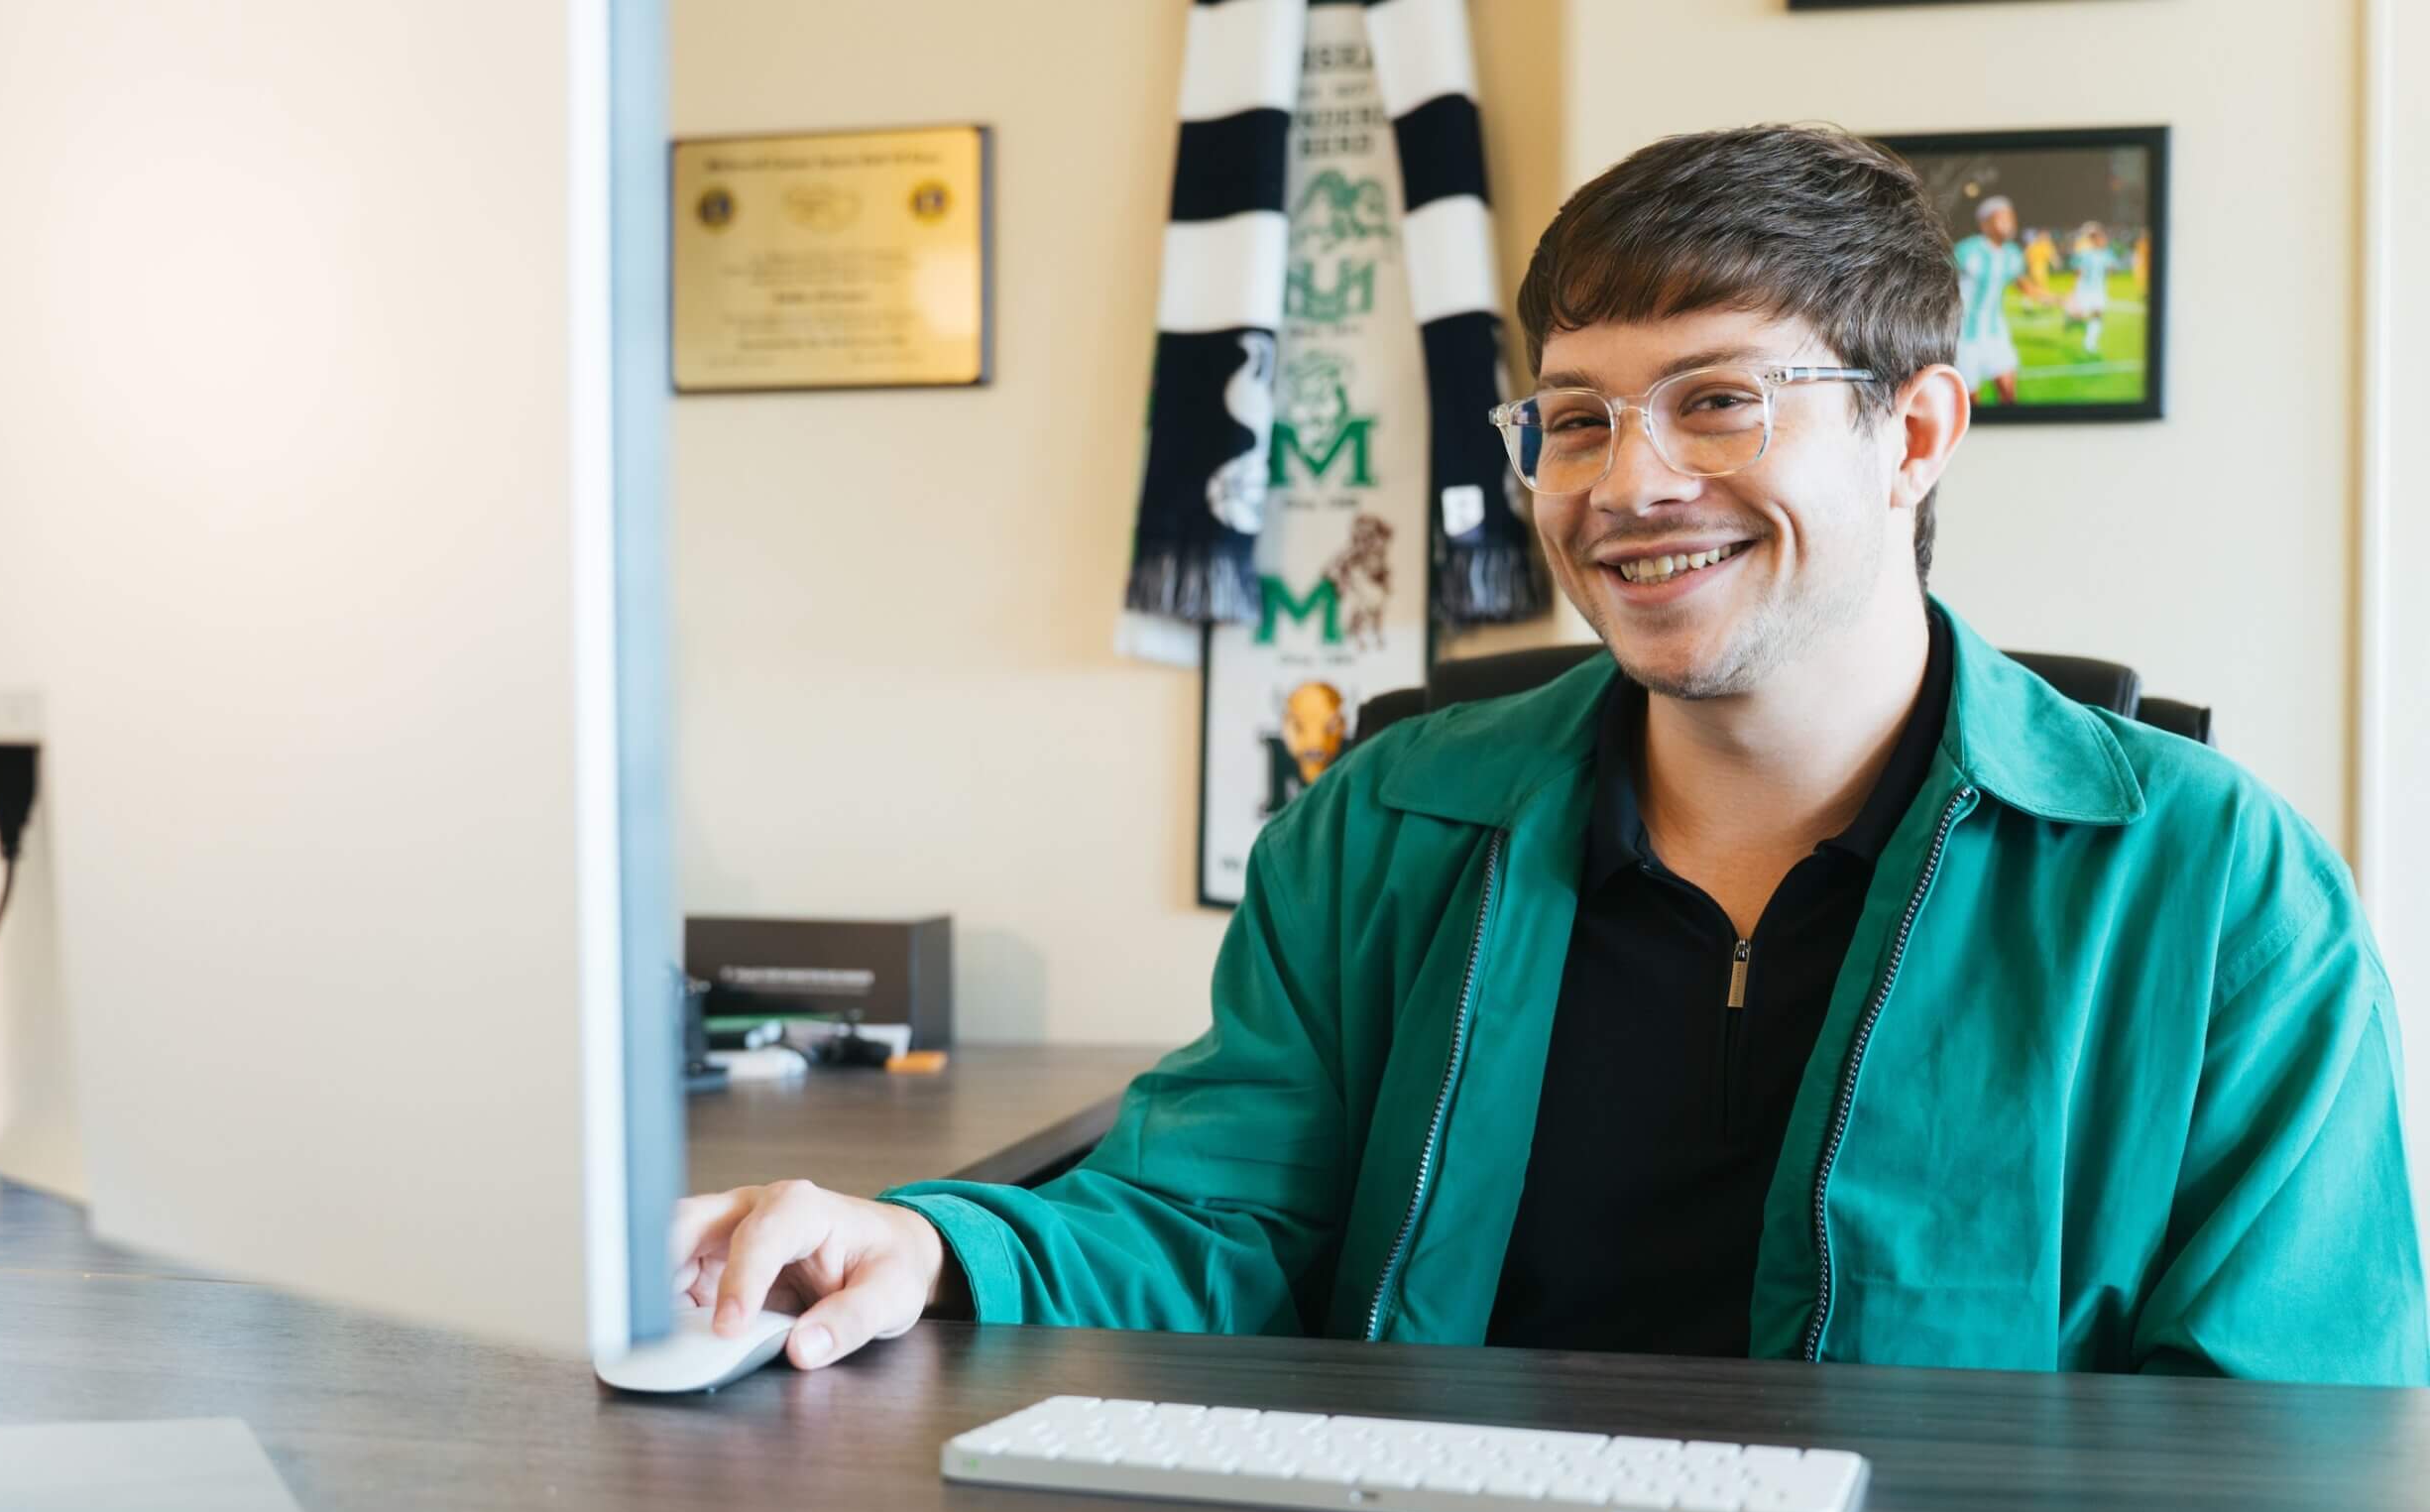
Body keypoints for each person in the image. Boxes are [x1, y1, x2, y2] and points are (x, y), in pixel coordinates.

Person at [673, 125, 2425, 1386]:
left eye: (1721, 398)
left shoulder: (2218, 886)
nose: (1629, 481)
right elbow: (1220, 1224)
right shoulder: (1378, 824)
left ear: (1916, 430)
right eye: (1574, 416)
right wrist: (937, 1243)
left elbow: (2294, 1443)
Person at [1953, 193, 2025, 406]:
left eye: (2011, 218)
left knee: (2009, 396)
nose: (2009, 224)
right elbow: (1937, 283)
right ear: (1985, 224)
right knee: (1970, 407)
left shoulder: (2012, 253)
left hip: (1996, 335)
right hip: (1964, 339)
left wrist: (2059, 300)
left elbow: (2023, 284)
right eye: (2002, 219)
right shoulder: (1966, 250)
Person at [2062, 222, 2120, 357]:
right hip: (2085, 289)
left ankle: (2090, 343)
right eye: (2098, 238)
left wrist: (2112, 267)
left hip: (2099, 290)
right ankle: (2070, 318)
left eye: (2103, 238)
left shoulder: (2107, 254)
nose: (2102, 240)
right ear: (2093, 240)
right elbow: (2077, 271)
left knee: (2098, 314)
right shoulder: (2085, 254)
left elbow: (2113, 268)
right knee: (2080, 315)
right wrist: (2075, 289)